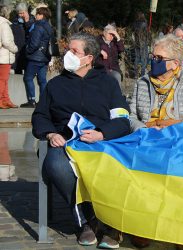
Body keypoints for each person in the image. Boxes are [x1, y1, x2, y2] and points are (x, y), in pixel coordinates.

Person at [32, 32, 131, 249]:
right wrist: (50, 133)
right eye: (68, 49)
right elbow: (40, 116)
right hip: (65, 142)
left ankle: (111, 222)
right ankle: (86, 221)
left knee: (121, 166)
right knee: (56, 165)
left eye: (74, 51)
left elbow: (123, 119)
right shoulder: (55, 85)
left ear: (88, 58)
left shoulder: (108, 83)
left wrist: (102, 133)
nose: (68, 54)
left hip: (101, 141)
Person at [128, 34, 183, 249]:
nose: (153, 60)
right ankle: (142, 225)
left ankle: (180, 230)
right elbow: (130, 115)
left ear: (174, 64)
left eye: (158, 57)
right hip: (147, 141)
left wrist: (173, 124)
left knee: (182, 170)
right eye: (153, 56)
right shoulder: (142, 83)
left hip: (181, 143)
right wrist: (144, 128)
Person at [20, 7, 53, 108]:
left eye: (37, 14)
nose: (35, 15)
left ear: (42, 15)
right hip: (45, 57)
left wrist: (27, 51)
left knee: (28, 78)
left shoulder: (38, 26)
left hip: (35, 57)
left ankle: (31, 100)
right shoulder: (49, 26)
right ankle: (43, 102)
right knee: (42, 80)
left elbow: (34, 43)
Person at [0, 5, 18, 109]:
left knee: (4, 80)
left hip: (2, 56)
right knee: (3, 80)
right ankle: (1, 100)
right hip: (4, 56)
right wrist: (15, 48)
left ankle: (5, 100)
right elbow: (7, 41)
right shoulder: (4, 24)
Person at [12, 2, 35, 74]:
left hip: (26, 46)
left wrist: (27, 21)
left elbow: (31, 30)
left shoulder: (32, 19)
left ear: (26, 11)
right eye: (19, 13)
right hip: (17, 46)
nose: (21, 15)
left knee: (27, 68)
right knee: (17, 68)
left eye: (22, 13)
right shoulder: (15, 19)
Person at [132, 12, 150, 78]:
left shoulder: (134, 23)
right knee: (144, 59)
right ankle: (142, 74)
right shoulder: (144, 23)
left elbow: (133, 32)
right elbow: (147, 34)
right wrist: (148, 41)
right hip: (143, 43)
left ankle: (136, 74)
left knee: (137, 58)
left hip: (136, 43)